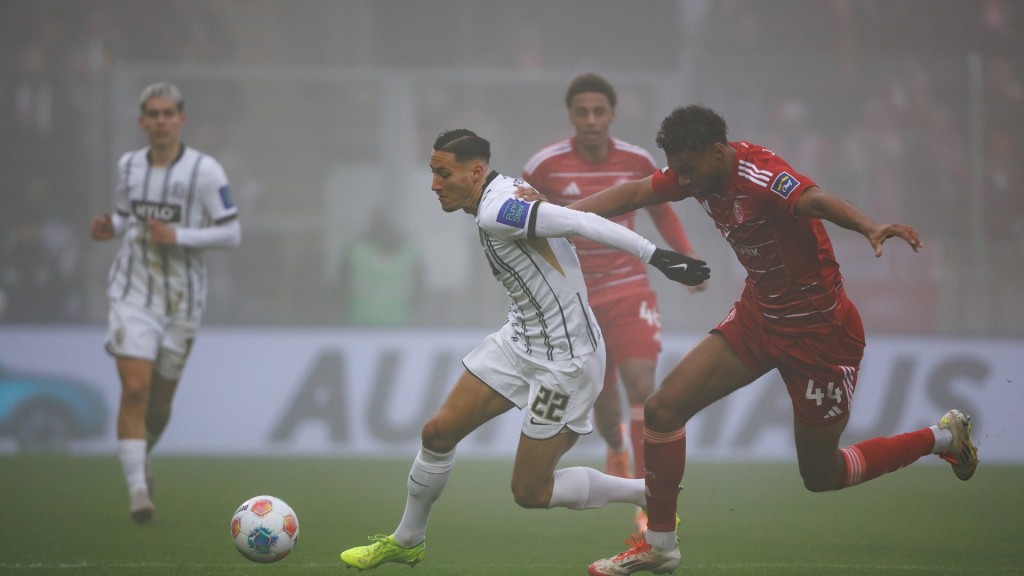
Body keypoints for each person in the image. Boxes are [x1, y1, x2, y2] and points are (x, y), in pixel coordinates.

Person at [548, 105, 978, 576]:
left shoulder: (762, 178)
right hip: (759, 320)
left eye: (688, 170)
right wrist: (556, 217)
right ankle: (660, 546)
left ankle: (941, 438)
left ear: (717, 152)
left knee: (822, 475)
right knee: (663, 410)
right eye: (677, 171)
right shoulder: (697, 172)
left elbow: (817, 200)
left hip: (820, 338)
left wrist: (868, 226)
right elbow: (634, 192)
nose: (683, 181)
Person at [338, 129, 708, 570]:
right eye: (433, 173)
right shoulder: (501, 192)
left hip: (565, 361)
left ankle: (647, 491)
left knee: (530, 491)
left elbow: (578, 223)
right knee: (437, 434)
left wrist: (657, 256)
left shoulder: (498, 209)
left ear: (476, 172)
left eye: (443, 174)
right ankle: (407, 540)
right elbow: (561, 218)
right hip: (518, 342)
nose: (434, 184)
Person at [522, 74, 703, 533]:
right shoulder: (543, 165)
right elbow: (525, 222)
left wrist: (685, 255)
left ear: (612, 115)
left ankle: (648, 496)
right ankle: (616, 445)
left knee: (642, 384)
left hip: (629, 288)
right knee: (605, 409)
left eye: (598, 111)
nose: (591, 120)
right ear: (571, 116)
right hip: (576, 299)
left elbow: (661, 208)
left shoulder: (637, 160)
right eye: (582, 112)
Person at [89, 82, 241, 524]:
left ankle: (142, 456)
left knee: (158, 407)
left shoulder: (205, 171)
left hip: (182, 299)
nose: (160, 121)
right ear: (142, 121)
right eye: (152, 114)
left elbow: (232, 232)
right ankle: (138, 492)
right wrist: (111, 227)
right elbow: (126, 215)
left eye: (167, 114)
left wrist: (178, 235)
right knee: (135, 389)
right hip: (133, 290)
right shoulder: (130, 166)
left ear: (181, 119)